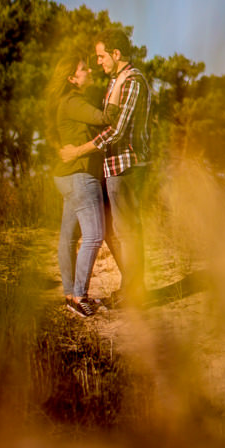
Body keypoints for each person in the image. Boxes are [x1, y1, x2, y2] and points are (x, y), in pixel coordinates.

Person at [61, 40, 151, 306]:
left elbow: (117, 130)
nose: (97, 62)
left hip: (126, 165)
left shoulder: (132, 81)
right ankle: (131, 288)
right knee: (114, 231)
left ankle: (135, 294)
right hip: (111, 166)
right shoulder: (115, 81)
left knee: (128, 232)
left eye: (101, 56)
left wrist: (78, 151)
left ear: (116, 53)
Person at [50, 52, 111, 318]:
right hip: (80, 175)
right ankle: (79, 297)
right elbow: (103, 118)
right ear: (72, 78)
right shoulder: (73, 101)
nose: (90, 71)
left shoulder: (64, 102)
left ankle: (69, 294)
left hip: (67, 176)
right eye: (84, 69)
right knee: (95, 235)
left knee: (69, 237)